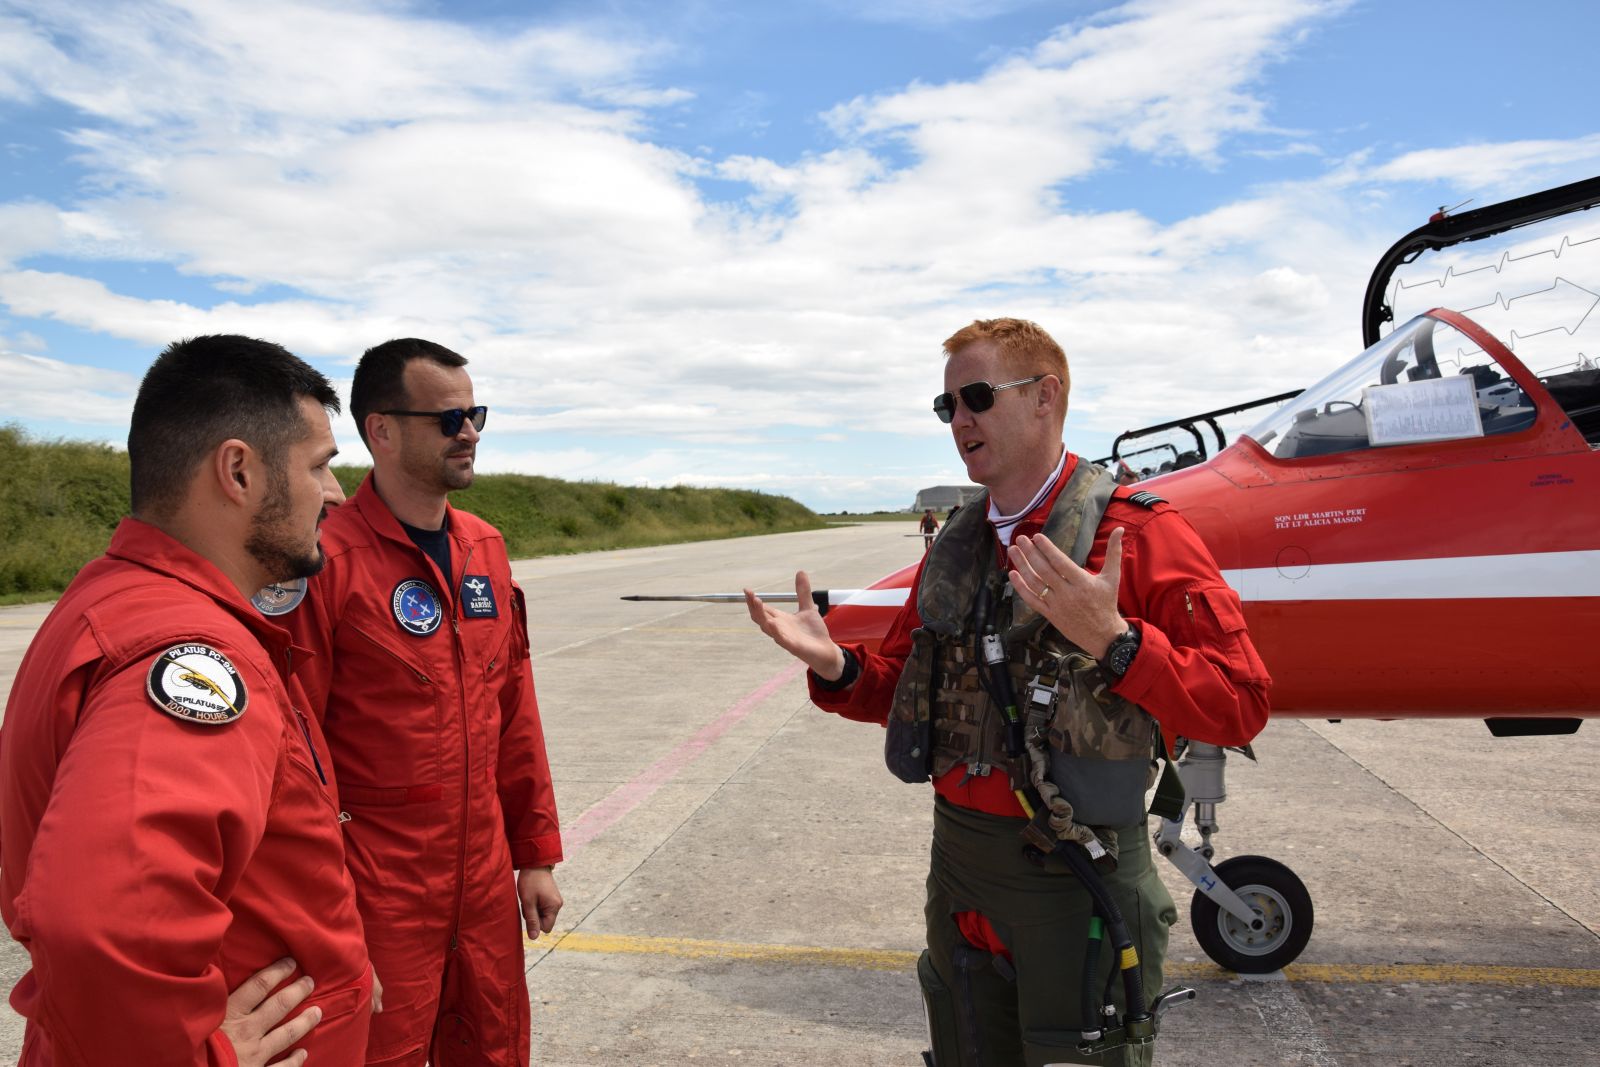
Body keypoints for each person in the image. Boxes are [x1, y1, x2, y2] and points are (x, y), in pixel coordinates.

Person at [745, 318, 1270, 1066]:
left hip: (1079, 879)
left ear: (1045, 396)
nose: (959, 420)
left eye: (978, 397)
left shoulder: (1137, 535)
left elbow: (1239, 703)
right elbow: (907, 691)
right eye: (947, 404)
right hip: (962, 874)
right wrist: (837, 667)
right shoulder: (956, 546)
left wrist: (1115, 641)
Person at [0, 335, 375, 1066]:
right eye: (318, 465)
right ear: (238, 471)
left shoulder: (113, 598)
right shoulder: (188, 652)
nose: (335, 494)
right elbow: (99, 923)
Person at [280, 338, 563, 1066]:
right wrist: (325, 920)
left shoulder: (485, 548)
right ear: (381, 430)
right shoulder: (326, 560)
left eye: (475, 415)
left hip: (484, 879)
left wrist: (535, 855)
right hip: (378, 888)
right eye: (447, 419)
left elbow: (514, 712)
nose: (469, 433)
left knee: (494, 1047)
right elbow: (295, 752)